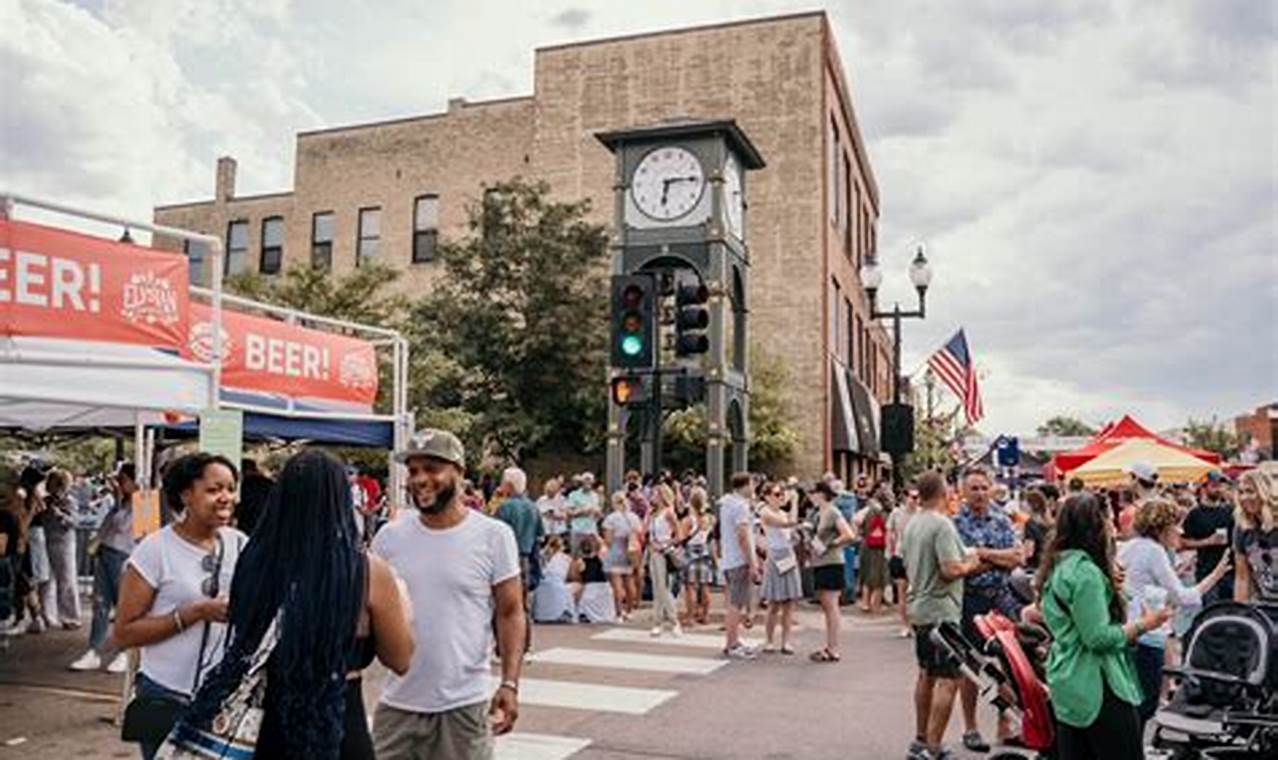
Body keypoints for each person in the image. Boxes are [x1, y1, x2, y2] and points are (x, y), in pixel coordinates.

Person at [176, 450, 413, 759]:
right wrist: (402, 606)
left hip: (264, 726)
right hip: (337, 725)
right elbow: (400, 659)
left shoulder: (254, 562)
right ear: (341, 498)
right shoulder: (366, 571)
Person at [371, 430, 524, 760]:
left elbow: (511, 612)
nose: (420, 479)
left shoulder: (494, 536)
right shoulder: (388, 538)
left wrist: (510, 684)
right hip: (397, 708)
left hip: (463, 709)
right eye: (413, 471)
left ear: (460, 473)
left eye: (432, 468)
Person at [114, 453, 246, 760]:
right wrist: (193, 613)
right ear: (185, 494)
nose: (225, 498)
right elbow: (124, 633)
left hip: (222, 700)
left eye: (230, 489)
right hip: (166, 696)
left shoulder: (241, 544)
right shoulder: (155, 550)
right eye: (214, 490)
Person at [1037, 492, 1170, 760]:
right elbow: (1097, 637)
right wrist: (1144, 625)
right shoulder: (1086, 573)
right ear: (1096, 525)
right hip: (1097, 684)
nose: (1114, 527)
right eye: (1108, 519)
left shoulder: (1059, 564)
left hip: (1069, 680)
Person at [1117, 497, 1231, 729]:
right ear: (1162, 528)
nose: (1179, 531)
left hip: (1128, 630)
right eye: (1175, 525)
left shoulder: (1131, 546)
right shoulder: (1155, 551)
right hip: (1148, 635)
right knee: (1146, 704)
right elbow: (1184, 597)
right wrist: (1215, 575)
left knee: (1132, 702)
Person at [903, 471, 983, 760]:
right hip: (941, 609)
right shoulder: (942, 525)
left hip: (920, 606)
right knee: (948, 679)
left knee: (926, 674)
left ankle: (921, 738)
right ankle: (933, 748)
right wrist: (971, 565)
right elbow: (949, 569)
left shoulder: (912, 523)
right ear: (942, 491)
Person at [951, 467, 1023, 752]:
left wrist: (981, 553)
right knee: (970, 666)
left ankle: (1004, 726)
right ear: (963, 492)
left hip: (1002, 599)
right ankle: (970, 728)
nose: (980, 493)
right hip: (971, 600)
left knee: (1009, 662)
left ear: (991, 488)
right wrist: (996, 558)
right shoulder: (955, 524)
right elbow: (961, 567)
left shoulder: (1002, 519)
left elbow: (1017, 557)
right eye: (974, 488)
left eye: (984, 487)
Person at [70, 464, 138, 673]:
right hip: (106, 553)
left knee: (123, 607)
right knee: (100, 604)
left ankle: (125, 652)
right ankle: (94, 650)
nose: (119, 484)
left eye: (123, 480)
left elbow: (124, 528)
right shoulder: (120, 503)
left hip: (124, 556)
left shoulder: (142, 504)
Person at [493, 467, 542, 657]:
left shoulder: (505, 507)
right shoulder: (533, 507)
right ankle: (526, 646)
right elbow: (539, 536)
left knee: (502, 606)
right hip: (526, 556)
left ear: (509, 485)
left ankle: (502, 648)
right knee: (522, 606)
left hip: (507, 557)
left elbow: (495, 535)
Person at [808, 480, 856, 663]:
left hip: (831, 561)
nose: (810, 497)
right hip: (820, 561)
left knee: (831, 605)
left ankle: (834, 647)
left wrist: (832, 544)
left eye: (813, 493)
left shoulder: (832, 511)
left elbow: (849, 534)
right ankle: (829, 645)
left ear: (821, 493)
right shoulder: (818, 514)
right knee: (826, 606)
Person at [719, 473, 760, 659]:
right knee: (736, 604)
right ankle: (732, 643)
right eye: (752, 484)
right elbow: (743, 535)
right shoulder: (741, 506)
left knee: (733, 602)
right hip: (739, 559)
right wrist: (752, 562)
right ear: (745, 485)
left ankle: (733, 641)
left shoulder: (727, 504)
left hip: (729, 558)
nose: (754, 488)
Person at [758, 481, 801, 654]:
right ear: (767, 496)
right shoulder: (765, 512)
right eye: (776, 494)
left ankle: (786, 641)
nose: (781, 497)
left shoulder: (783, 512)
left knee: (790, 602)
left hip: (788, 555)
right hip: (775, 557)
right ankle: (769, 640)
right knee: (774, 603)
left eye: (782, 494)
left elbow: (791, 527)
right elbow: (790, 523)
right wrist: (795, 502)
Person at [1181, 472, 1235, 604]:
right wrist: (1208, 541)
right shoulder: (1194, 514)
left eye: (1221, 486)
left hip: (1230, 572)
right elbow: (1182, 542)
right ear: (1203, 488)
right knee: (1212, 613)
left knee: (1231, 612)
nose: (1219, 489)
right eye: (1215, 485)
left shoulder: (1230, 511)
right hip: (1207, 572)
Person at [39, 469, 82, 629]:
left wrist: (59, 515)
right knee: (46, 581)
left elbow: (74, 522)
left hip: (64, 544)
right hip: (46, 541)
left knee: (66, 580)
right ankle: (48, 616)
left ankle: (70, 617)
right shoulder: (45, 500)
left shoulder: (70, 501)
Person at [1233, 469, 1278, 603]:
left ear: (1265, 491)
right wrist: (1239, 614)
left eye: (1250, 491)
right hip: (1264, 607)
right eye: (1241, 492)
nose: (1244, 497)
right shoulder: (1242, 528)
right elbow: (1242, 577)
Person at [646, 483, 683, 637]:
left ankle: (672, 621)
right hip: (653, 552)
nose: (652, 496)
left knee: (662, 587)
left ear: (662, 495)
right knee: (656, 587)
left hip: (663, 552)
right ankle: (659, 621)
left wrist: (664, 544)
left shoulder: (669, 513)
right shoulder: (653, 513)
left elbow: (679, 535)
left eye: (655, 493)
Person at [601, 491, 641, 620]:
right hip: (630, 550)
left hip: (615, 549)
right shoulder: (634, 517)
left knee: (617, 583)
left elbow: (608, 540)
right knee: (629, 581)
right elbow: (639, 534)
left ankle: (619, 612)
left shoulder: (611, 518)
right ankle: (630, 611)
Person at [889, 484, 920, 639]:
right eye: (913, 497)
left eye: (918, 497)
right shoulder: (896, 513)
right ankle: (904, 624)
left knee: (916, 592)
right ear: (905, 497)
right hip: (900, 555)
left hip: (918, 557)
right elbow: (891, 532)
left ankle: (916, 622)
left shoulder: (921, 514)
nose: (915, 501)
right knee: (902, 592)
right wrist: (889, 553)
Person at [682, 492, 715, 627]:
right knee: (705, 585)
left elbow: (682, 537)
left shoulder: (689, 520)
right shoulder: (710, 519)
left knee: (690, 587)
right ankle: (705, 615)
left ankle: (690, 616)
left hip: (691, 552)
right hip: (704, 552)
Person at [859, 485, 891, 615]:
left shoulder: (868, 511)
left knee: (867, 575)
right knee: (879, 578)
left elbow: (858, 523)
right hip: (880, 547)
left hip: (867, 544)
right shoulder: (886, 513)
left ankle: (865, 603)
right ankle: (875, 606)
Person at [532, 535, 577, 623]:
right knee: (572, 587)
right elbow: (571, 577)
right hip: (558, 587)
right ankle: (567, 612)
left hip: (540, 589)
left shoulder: (539, 555)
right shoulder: (566, 558)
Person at [234, 458, 274, 537]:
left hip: (249, 526)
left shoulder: (248, 484)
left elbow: (245, 506)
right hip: (267, 525)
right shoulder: (269, 484)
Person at [567, 474, 602, 557]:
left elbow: (599, 515)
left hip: (591, 530)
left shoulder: (595, 496)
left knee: (592, 557)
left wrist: (597, 513)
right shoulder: (573, 495)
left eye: (590, 480)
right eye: (586, 480)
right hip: (578, 530)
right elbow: (569, 512)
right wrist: (582, 511)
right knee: (576, 557)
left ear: (592, 482)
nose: (588, 482)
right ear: (582, 482)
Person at [536, 477, 568, 544]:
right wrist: (544, 514)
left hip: (558, 531)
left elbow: (565, 515)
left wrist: (554, 515)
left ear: (556, 490)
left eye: (551, 492)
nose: (549, 493)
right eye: (548, 491)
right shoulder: (541, 500)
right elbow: (536, 513)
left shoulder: (562, 500)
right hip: (545, 531)